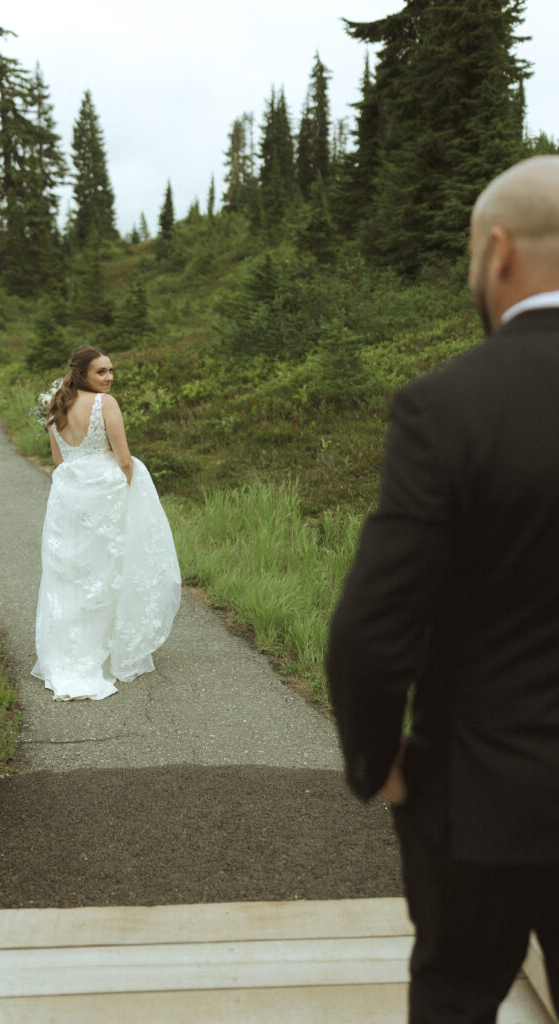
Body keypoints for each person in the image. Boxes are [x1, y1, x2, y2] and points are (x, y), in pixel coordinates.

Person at [326, 155, 559, 1023]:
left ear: (497, 252)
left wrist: (376, 758)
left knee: (457, 995)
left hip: (479, 799)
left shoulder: (447, 406)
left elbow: (373, 625)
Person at [32, 346, 181, 701]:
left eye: (111, 370)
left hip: (69, 498)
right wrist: (128, 493)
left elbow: (58, 461)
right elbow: (123, 458)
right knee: (106, 572)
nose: (109, 377)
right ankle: (106, 652)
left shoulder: (54, 404)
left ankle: (69, 651)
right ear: (83, 374)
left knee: (71, 574)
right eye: (102, 371)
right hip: (106, 494)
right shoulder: (105, 405)